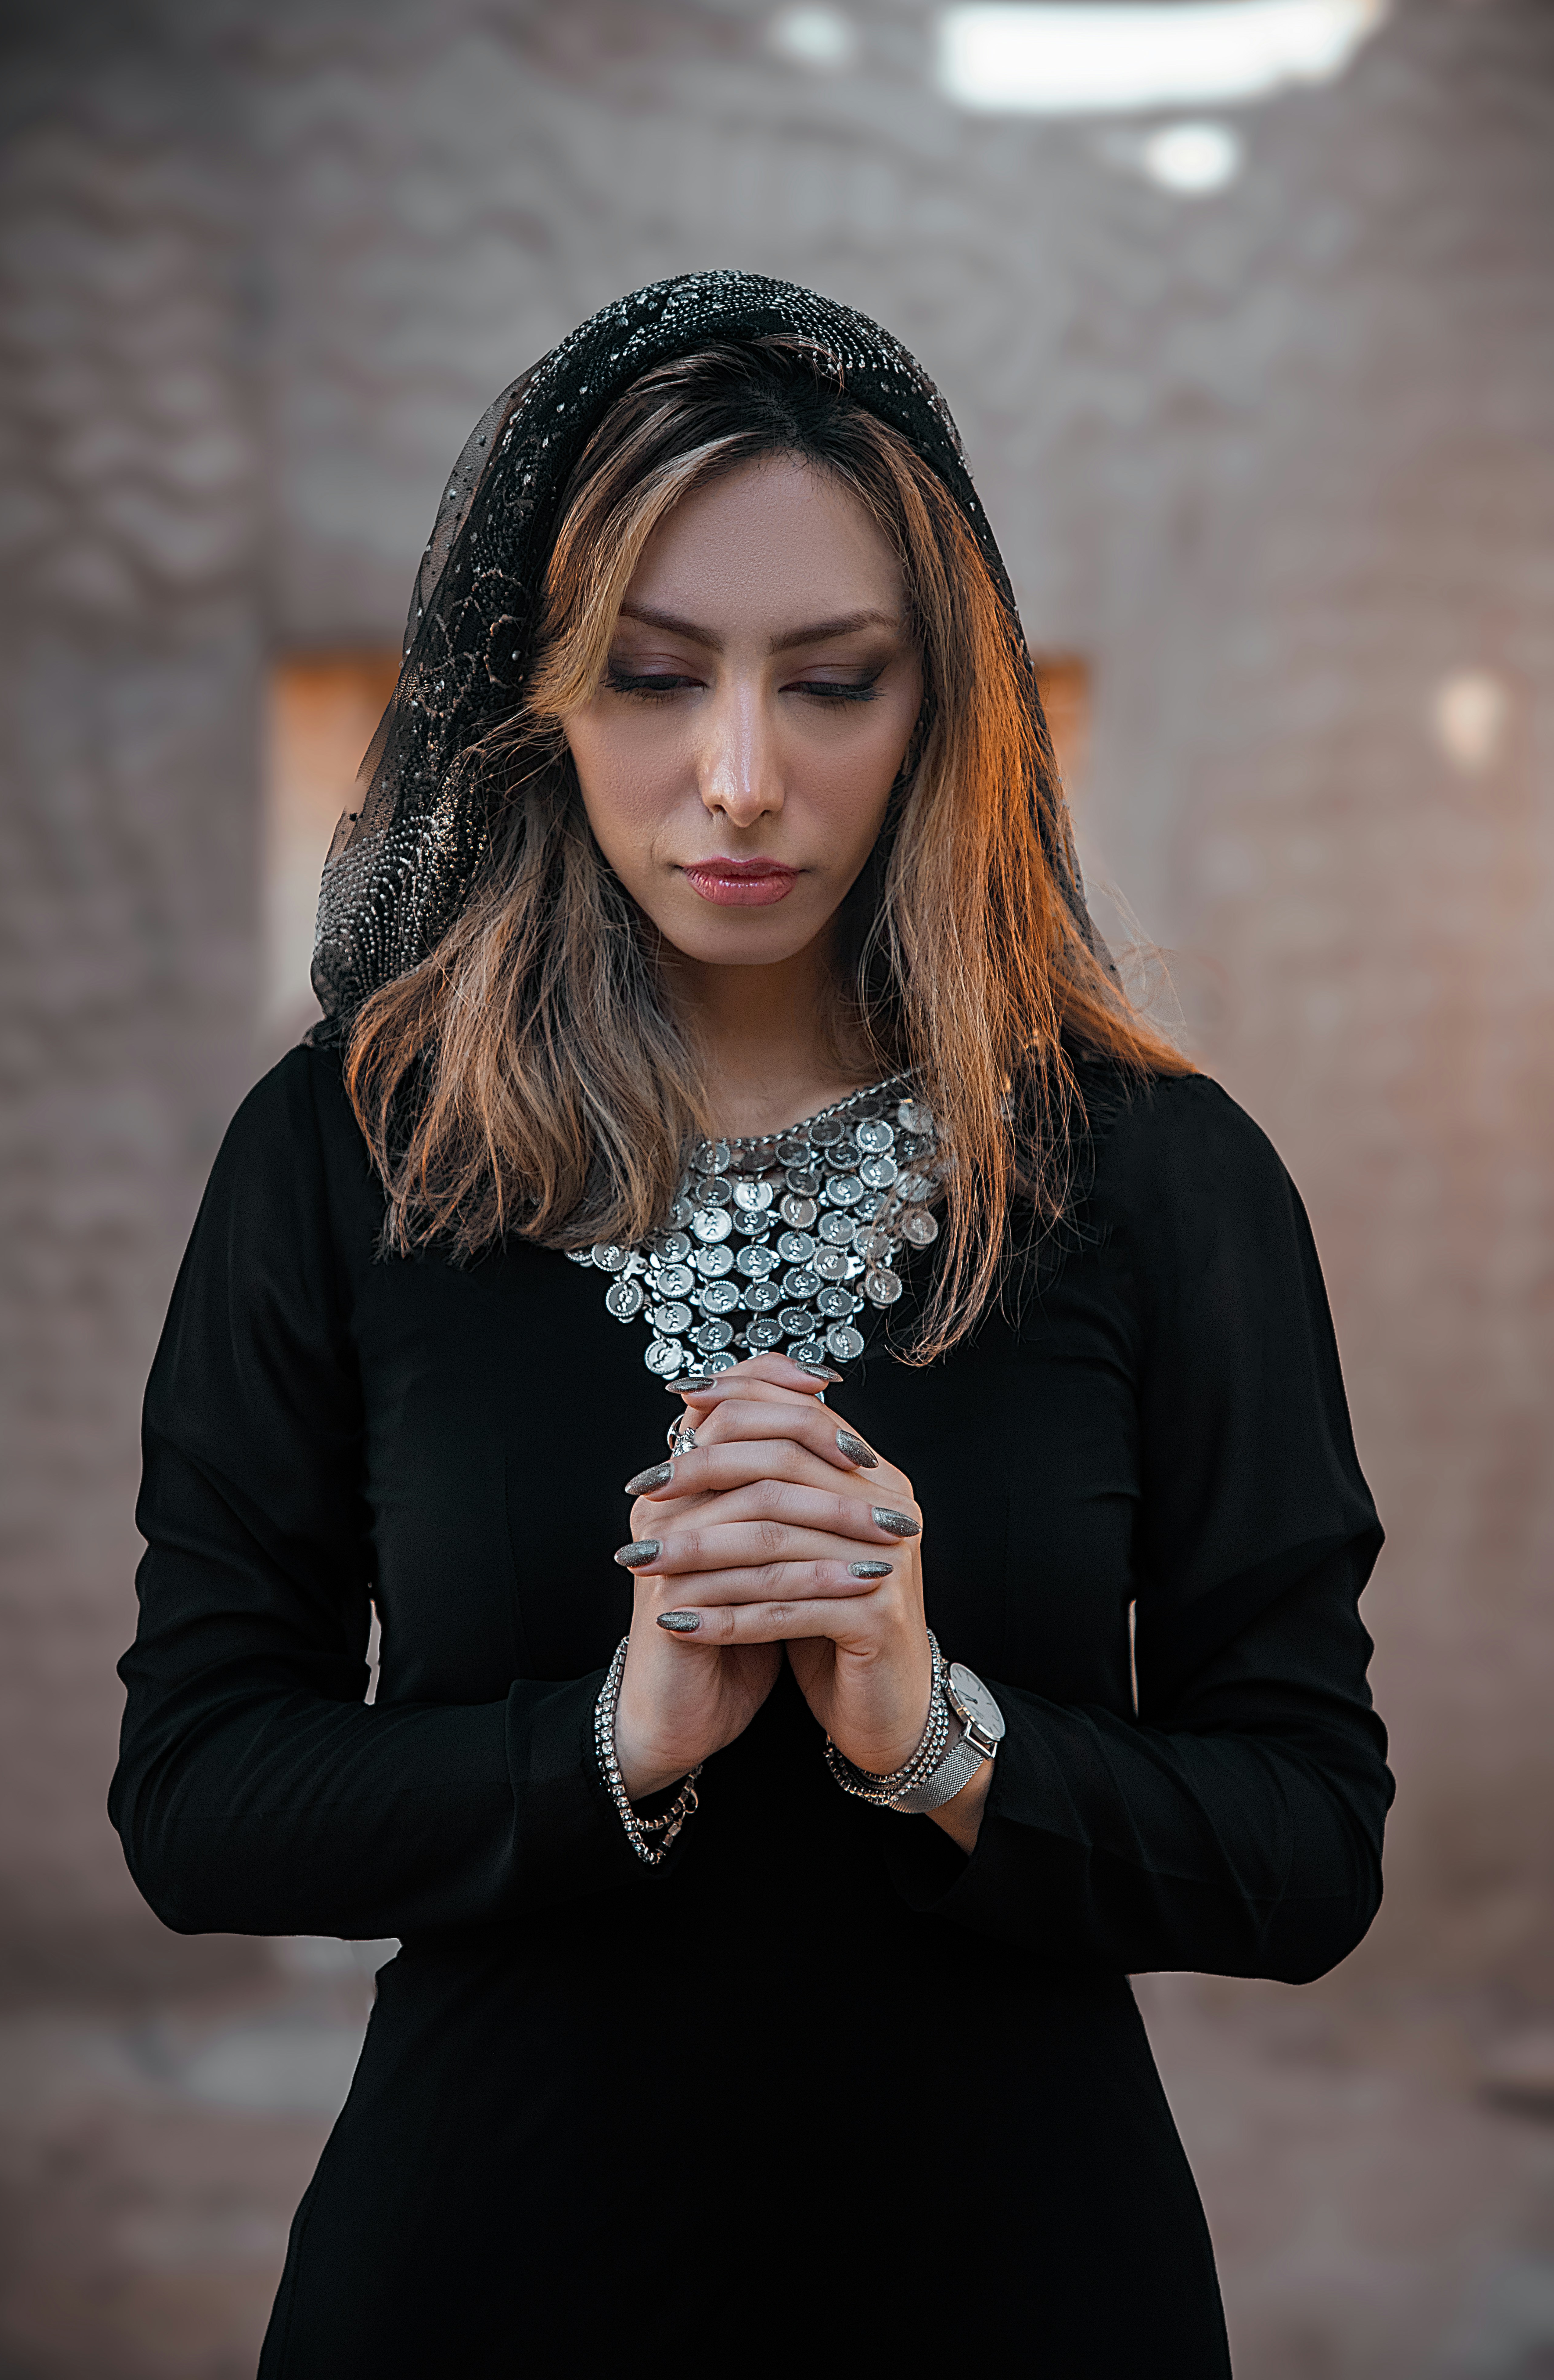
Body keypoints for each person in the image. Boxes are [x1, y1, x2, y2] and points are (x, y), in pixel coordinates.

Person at [110, 273, 1391, 2377]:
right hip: (482, 2285)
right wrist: (615, 1740)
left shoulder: (1160, 1175)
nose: (739, 778)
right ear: (534, 692)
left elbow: (1309, 1842)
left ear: (945, 706)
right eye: (649, 676)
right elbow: (198, 1790)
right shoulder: (353, 1148)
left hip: (1025, 2294)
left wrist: (934, 1734)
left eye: (833, 683)